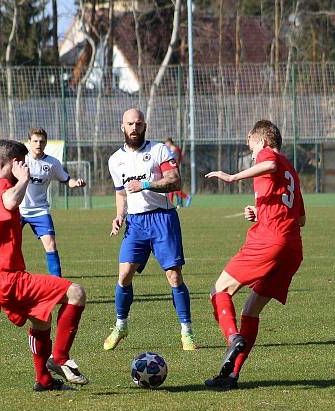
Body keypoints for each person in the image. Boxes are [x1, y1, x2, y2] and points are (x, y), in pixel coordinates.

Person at [0, 139, 88, 392]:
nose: (26, 168)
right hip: (7, 278)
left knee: (41, 321)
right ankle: (60, 357)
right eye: (22, 164)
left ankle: (43, 380)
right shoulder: (1, 188)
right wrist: (24, 180)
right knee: (76, 293)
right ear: (12, 164)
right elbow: (10, 202)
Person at [202, 120, 306, 389]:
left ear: (260, 141)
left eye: (251, 147)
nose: (252, 154)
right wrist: (261, 212)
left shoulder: (268, 155)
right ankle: (231, 376)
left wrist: (233, 177)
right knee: (251, 310)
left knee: (219, 290)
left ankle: (232, 338)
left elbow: (268, 163)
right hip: (292, 248)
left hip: (269, 241)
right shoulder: (291, 171)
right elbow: (301, 218)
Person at [105, 108, 197, 351]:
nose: (134, 128)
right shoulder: (115, 160)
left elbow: (175, 180)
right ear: (122, 126)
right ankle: (121, 325)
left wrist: (146, 184)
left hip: (162, 219)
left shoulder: (158, 150)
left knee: (174, 276)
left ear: (145, 126)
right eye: (129, 124)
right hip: (135, 223)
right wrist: (119, 216)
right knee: (124, 276)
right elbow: (121, 193)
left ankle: (186, 332)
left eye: (138, 124)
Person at [20, 127, 86, 276]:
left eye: (41, 141)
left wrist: (76, 183)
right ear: (29, 142)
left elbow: (67, 179)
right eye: (35, 141)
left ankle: (58, 282)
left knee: (51, 244)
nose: (38, 144)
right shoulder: (21, 160)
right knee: (10, 246)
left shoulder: (52, 163)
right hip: (19, 210)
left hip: (40, 210)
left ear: (46, 143)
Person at [164, 138, 191, 207]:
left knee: (174, 188)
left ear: (169, 142)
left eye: (166, 143)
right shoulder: (174, 149)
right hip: (173, 170)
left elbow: (173, 160)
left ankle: (187, 197)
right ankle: (172, 204)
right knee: (171, 188)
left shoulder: (173, 149)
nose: (165, 144)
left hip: (173, 170)